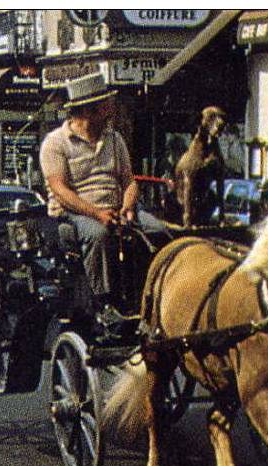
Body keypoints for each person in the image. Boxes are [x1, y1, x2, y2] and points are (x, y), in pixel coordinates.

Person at [39, 73, 165, 308]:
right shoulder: (55, 143)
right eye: (105, 105)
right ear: (88, 111)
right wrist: (97, 214)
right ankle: (104, 302)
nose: (111, 109)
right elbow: (60, 190)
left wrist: (128, 206)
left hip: (117, 208)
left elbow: (129, 181)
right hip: (76, 212)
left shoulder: (115, 139)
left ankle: (152, 293)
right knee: (98, 235)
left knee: (158, 230)